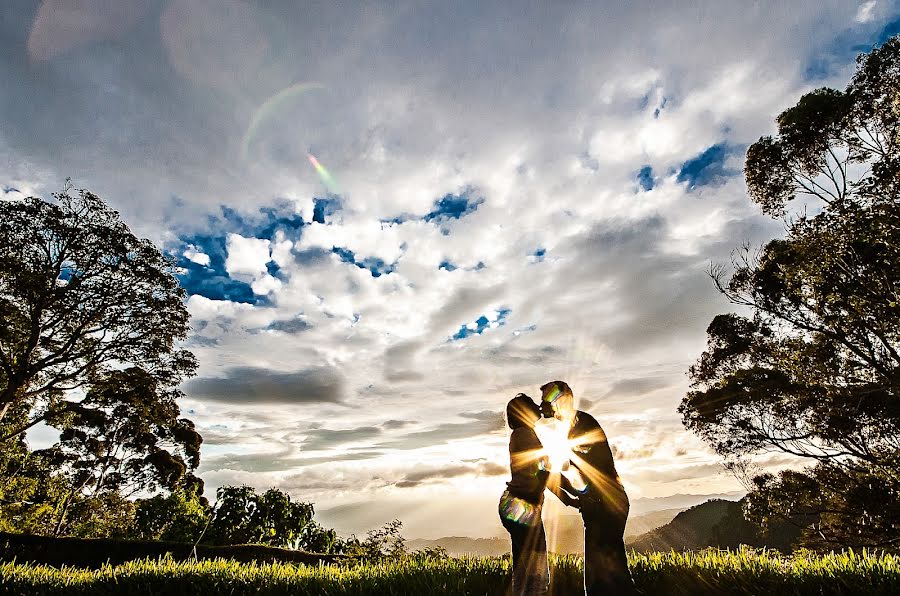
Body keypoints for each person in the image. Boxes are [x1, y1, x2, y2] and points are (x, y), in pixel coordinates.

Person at [540, 380, 638, 596]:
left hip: (605, 504)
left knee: (601, 580)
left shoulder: (580, 425)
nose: (542, 406)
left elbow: (583, 476)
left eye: (546, 400)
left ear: (562, 400)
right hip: (605, 503)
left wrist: (551, 478)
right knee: (613, 576)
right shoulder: (574, 425)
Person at [499, 393, 579, 596]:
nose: (538, 406)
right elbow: (543, 474)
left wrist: (570, 493)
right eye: (532, 404)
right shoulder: (525, 434)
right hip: (522, 505)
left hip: (515, 504)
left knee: (523, 569)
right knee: (537, 571)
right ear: (524, 412)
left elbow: (544, 473)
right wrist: (571, 497)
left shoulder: (521, 434)